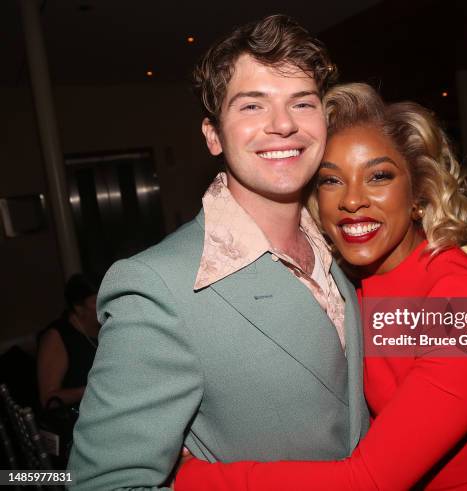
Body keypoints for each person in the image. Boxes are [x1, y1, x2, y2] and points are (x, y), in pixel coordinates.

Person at [67, 15, 369, 490]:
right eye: (252, 105)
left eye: (302, 103)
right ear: (213, 135)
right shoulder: (157, 287)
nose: (284, 124)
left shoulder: (343, 243)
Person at [174, 84, 467, 490]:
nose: (352, 200)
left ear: (419, 192)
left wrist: (193, 478)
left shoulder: (465, 303)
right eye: (331, 180)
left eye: (379, 176)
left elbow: (368, 479)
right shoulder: (346, 279)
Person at [37, 274, 99, 409]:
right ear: (78, 307)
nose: (105, 305)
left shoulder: (111, 326)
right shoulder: (56, 336)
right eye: (96, 301)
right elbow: (49, 399)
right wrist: (97, 388)